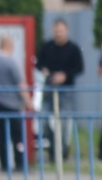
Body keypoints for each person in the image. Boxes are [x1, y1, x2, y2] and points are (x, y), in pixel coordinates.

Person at [0, 36, 34, 172]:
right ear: (9, 46)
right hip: (12, 104)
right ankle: (20, 164)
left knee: (2, 136)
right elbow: (21, 84)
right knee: (17, 136)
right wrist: (29, 103)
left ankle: (4, 165)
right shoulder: (11, 63)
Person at [36, 19, 84, 162]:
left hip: (66, 90)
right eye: (56, 30)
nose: (58, 33)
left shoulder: (73, 48)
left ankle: (62, 152)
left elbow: (79, 68)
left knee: (63, 122)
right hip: (49, 88)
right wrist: (45, 71)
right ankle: (52, 147)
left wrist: (65, 75)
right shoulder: (47, 47)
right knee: (43, 119)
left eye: (61, 31)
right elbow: (39, 64)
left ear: (66, 31)